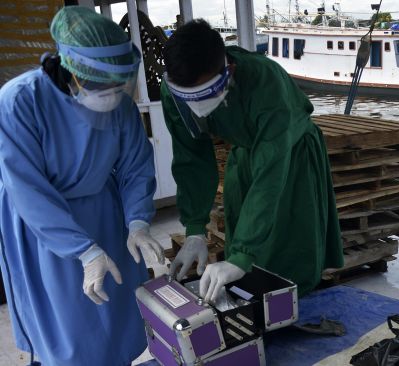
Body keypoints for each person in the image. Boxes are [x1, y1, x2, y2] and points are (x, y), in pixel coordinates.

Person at [0, 7, 162, 365]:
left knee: (116, 315)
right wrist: (83, 250)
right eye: (98, 82)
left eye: (118, 84)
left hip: (105, 214)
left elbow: (136, 166)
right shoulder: (19, 102)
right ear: (69, 67)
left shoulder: (120, 105)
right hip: (45, 226)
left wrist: (137, 221)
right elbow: (26, 188)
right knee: (65, 326)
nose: (110, 94)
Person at [161, 20, 343, 301]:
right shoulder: (172, 90)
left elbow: (271, 171)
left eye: (205, 94)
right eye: (188, 98)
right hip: (244, 152)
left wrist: (241, 256)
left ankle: (293, 305)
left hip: (290, 152)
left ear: (228, 72)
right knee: (241, 224)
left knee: (291, 243)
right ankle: (250, 294)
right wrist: (195, 230)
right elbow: (190, 158)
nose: (196, 105)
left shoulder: (264, 80)